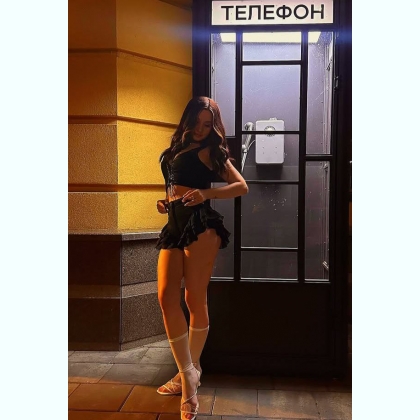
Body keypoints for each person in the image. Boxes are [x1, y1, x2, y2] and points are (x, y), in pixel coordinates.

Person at [155, 96, 248, 420]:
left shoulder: (211, 151)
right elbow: (175, 184)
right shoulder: (175, 148)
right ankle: (189, 373)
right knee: (166, 297)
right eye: (196, 122)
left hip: (200, 226)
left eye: (207, 125)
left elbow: (241, 186)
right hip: (174, 223)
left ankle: (188, 384)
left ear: (213, 127)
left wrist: (206, 193)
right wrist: (168, 202)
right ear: (188, 119)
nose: (200, 129)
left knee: (194, 299)